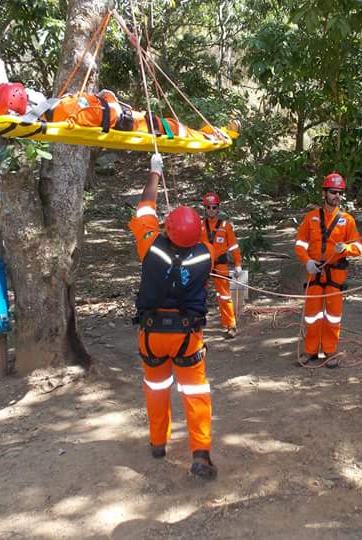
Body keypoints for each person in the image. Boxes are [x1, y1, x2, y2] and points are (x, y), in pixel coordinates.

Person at [127, 153, 217, 480]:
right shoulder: (205, 253)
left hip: (152, 334)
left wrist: (154, 173)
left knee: (156, 386)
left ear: (166, 228)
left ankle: (157, 443)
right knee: (195, 393)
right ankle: (201, 454)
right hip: (187, 335)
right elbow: (195, 242)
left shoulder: (150, 245)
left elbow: (145, 208)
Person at [0, 82, 236, 140]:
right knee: (169, 127)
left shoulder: (54, 111)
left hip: (125, 118)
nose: (33, 92)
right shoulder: (63, 111)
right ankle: (211, 136)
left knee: (168, 123)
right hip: (130, 122)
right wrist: (107, 95)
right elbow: (111, 113)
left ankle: (207, 132)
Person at [294, 172, 362, 367]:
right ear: (324, 193)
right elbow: (300, 243)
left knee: (333, 315)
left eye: (339, 193)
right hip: (314, 272)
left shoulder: (347, 220)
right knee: (312, 314)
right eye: (333, 192)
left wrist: (347, 248)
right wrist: (307, 261)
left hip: (336, 274)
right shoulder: (311, 218)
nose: (336, 196)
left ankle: (331, 351)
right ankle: (311, 350)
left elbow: (359, 246)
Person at [201, 192, 243, 339]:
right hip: (204, 266)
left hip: (221, 266)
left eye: (214, 207)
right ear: (205, 209)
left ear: (218, 208)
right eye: (208, 207)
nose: (211, 210)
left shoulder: (225, 226)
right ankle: (196, 322)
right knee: (197, 294)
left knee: (224, 296)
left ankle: (231, 325)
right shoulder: (199, 226)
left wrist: (238, 264)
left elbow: (234, 247)